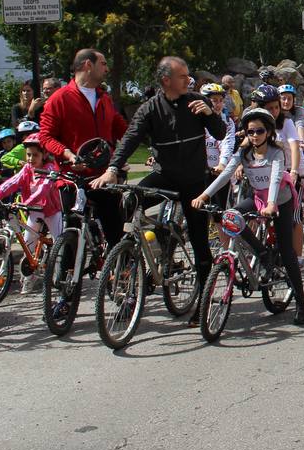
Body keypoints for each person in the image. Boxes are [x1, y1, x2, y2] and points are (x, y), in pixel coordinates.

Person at [96, 56, 225, 323]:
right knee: (129, 199)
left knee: (200, 241)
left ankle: (204, 300)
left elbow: (221, 133)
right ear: (166, 80)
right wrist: (112, 169)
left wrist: (210, 114)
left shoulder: (195, 102)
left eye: (188, 75)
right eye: (182, 76)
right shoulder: (150, 108)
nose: (188, 80)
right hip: (164, 176)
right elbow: (130, 139)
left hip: (192, 182)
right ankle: (133, 253)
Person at [193, 107, 304, 325]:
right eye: (250, 132)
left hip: (280, 201)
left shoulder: (276, 151)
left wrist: (272, 204)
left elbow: (276, 178)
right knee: (231, 215)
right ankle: (262, 252)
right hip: (257, 198)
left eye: (259, 131)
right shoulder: (243, 153)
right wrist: (204, 195)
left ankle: (302, 304)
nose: (255, 135)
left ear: (269, 132)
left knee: (287, 253)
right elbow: (227, 173)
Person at [39, 49, 128, 245]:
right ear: (88, 65)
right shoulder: (59, 98)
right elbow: (45, 136)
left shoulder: (104, 98)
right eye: (103, 63)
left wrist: (133, 146)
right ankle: (67, 273)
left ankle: (119, 269)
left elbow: (121, 128)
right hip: (72, 177)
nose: (107, 68)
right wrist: (67, 154)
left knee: (115, 230)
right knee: (70, 235)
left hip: (103, 176)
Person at [0, 133, 63, 293]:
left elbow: (43, 189)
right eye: (28, 155)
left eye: (35, 155)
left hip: (51, 211)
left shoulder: (50, 169)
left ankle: (60, 277)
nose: (31, 158)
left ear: (45, 154)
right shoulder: (27, 168)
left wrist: (25, 203)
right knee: (28, 245)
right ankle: (28, 279)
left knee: (59, 242)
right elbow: (12, 182)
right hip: (34, 212)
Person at [200, 83, 235, 173]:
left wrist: (222, 164)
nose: (219, 104)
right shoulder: (196, 120)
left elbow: (227, 143)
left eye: (221, 100)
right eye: (214, 101)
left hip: (218, 169)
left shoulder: (227, 121)